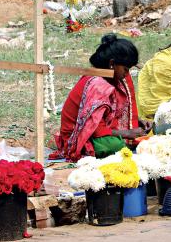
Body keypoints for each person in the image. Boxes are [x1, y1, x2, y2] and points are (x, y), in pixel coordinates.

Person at [53, 34, 148, 162]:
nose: (126, 75)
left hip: (96, 130)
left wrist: (137, 121)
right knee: (116, 145)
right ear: (112, 64)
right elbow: (95, 129)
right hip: (77, 137)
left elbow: (111, 113)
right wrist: (127, 133)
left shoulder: (110, 78)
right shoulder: (97, 84)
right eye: (125, 69)